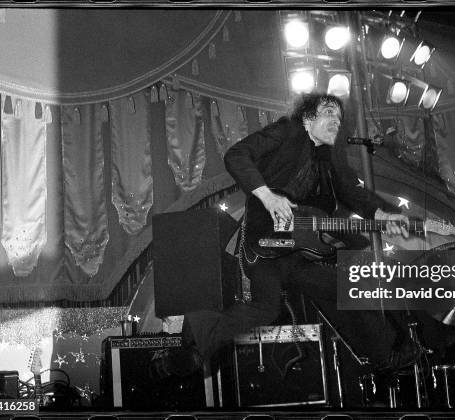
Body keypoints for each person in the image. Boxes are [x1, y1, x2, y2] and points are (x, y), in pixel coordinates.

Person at [159, 93, 410, 380]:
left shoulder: (328, 158)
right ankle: (197, 338)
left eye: (339, 118)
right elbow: (236, 155)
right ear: (308, 117)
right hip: (264, 243)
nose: (336, 121)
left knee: (347, 288)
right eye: (329, 112)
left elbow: (351, 192)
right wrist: (268, 197)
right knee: (267, 309)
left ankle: (382, 358)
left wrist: (384, 216)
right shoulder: (287, 130)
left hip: (297, 254)